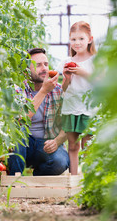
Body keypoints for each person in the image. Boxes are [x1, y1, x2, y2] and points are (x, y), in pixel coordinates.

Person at [8, 48, 69, 176]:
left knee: (61, 162)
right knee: (18, 130)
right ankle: (15, 180)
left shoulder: (58, 90)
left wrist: (57, 141)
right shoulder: (18, 90)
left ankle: (37, 177)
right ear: (26, 69)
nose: (44, 68)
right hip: (24, 146)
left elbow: (68, 124)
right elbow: (21, 120)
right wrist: (43, 92)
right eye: (38, 65)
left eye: (46, 64)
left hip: (46, 145)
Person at [60, 21, 97, 175]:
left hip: (89, 107)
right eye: (73, 39)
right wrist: (67, 79)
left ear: (90, 39)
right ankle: (73, 178)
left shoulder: (96, 61)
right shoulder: (67, 61)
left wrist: (83, 73)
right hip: (71, 105)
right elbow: (63, 88)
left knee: (87, 144)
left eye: (81, 39)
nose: (77, 43)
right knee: (73, 145)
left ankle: (88, 179)